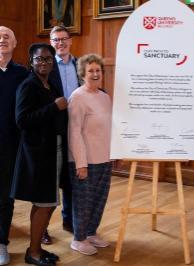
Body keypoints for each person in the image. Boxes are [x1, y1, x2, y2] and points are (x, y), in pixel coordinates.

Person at [11, 43, 68, 266]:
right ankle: (33, 252)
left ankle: (36, 248)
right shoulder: (28, 85)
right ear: (31, 62)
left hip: (54, 150)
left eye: (47, 59)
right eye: (39, 59)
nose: (43, 63)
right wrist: (54, 107)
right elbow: (22, 120)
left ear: (52, 62)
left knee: (49, 202)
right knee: (45, 203)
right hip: (38, 155)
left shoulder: (50, 85)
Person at [68, 54, 112, 256]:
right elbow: (74, 132)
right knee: (83, 202)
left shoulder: (105, 97)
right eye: (91, 71)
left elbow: (109, 128)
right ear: (82, 74)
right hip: (85, 160)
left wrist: (114, 153)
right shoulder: (77, 97)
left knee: (99, 200)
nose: (95, 74)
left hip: (105, 159)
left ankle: (91, 233)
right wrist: (80, 163)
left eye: (98, 70)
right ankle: (78, 239)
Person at [42, 25, 79, 245]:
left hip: (76, 129)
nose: (60, 43)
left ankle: (69, 221)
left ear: (70, 40)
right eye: (56, 40)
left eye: (64, 39)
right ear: (51, 42)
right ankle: (43, 228)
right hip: (52, 130)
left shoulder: (80, 64)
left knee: (71, 178)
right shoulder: (44, 66)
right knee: (49, 180)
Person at [0, 26, 28, 266]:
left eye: (7, 36)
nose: (2, 40)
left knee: (5, 197)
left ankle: (1, 243)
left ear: (15, 43)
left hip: (10, 146)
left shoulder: (22, 73)